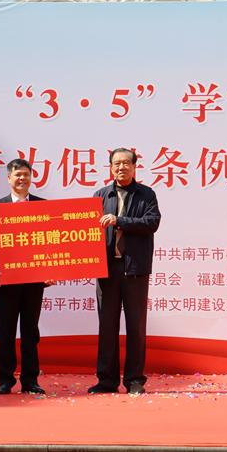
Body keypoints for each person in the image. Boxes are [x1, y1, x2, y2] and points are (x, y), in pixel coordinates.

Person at [88, 148, 161, 395]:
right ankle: (107, 380)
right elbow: (88, 231)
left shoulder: (146, 194)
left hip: (135, 269)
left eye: (126, 163)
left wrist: (119, 220)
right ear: (110, 167)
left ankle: (135, 380)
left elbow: (152, 222)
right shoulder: (100, 195)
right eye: (116, 163)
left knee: (136, 326)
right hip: (107, 270)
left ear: (134, 167)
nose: (121, 167)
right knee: (106, 326)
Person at [0, 158, 52, 395]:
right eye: (17, 175)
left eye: (26, 174)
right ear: (9, 178)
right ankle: (5, 380)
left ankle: (30, 380)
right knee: (6, 332)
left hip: (33, 281)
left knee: (31, 332)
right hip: (6, 279)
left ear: (31, 177)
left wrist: (50, 270)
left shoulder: (42, 206)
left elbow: (50, 243)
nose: (22, 179)